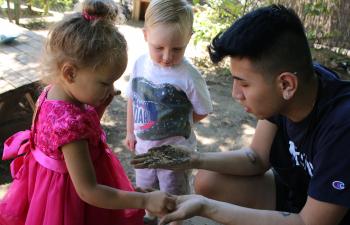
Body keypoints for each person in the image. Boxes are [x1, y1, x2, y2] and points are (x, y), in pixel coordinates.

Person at [132, 4, 350, 225]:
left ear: (286, 84)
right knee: (208, 180)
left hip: (322, 215)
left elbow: (308, 222)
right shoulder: (299, 83)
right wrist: (192, 158)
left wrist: (207, 207)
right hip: (296, 191)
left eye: (244, 84)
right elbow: (256, 158)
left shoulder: (342, 127)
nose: (235, 94)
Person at [0, 0, 176, 224]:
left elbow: (84, 131)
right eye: (105, 83)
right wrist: (144, 201)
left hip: (44, 188)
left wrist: (99, 106)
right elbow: (89, 191)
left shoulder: (50, 93)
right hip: (70, 203)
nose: (111, 90)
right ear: (70, 73)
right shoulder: (70, 127)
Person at [124, 0, 213, 224]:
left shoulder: (188, 75)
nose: (166, 56)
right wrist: (130, 132)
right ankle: (149, 218)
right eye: (158, 47)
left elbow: (202, 110)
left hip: (175, 156)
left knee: (174, 198)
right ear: (146, 35)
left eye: (177, 49)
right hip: (144, 151)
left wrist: (174, 125)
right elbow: (132, 99)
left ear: (189, 38)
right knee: (145, 192)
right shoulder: (140, 64)